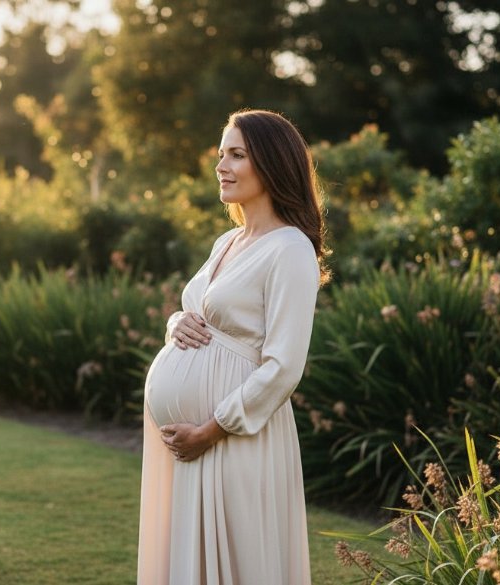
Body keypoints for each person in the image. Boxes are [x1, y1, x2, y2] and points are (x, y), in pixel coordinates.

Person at [137, 109, 329, 585]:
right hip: (191, 445)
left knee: (238, 565)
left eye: (237, 155)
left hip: (234, 439)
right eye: (221, 154)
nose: (222, 166)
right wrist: (176, 322)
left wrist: (213, 428)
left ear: (272, 163)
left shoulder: (290, 249)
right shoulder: (228, 241)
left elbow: (284, 366)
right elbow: (200, 312)